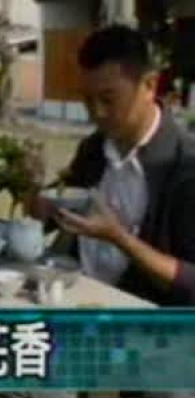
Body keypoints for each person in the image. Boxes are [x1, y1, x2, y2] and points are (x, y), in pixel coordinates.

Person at [27, 25, 195, 306]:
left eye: (108, 99)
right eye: (87, 100)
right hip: (75, 298)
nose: (97, 113)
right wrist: (38, 196)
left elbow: (190, 284)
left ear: (149, 85)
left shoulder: (185, 167)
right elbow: (55, 217)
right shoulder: (93, 148)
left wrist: (119, 238)